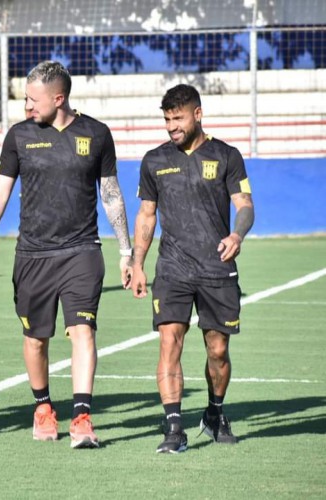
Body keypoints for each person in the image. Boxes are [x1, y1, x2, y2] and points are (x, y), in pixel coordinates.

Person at [0, 61, 132, 449]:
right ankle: (43, 407)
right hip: (33, 254)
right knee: (35, 339)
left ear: (58, 98)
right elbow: (1, 188)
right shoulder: (19, 136)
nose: (26, 106)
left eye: (33, 99)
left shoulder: (96, 134)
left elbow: (111, 195)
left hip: (81, 251)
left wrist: (126, 251)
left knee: (83, 330)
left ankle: (81, 417)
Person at [130, 84, 255, 454]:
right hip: (172, 268)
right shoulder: (154, 160)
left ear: (197, 114)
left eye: (178, 118)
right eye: (167, 120)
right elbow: (146, 215)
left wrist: (237, 233)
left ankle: (214, 413)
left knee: (217, 350)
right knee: (169, 342)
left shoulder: (227, 155)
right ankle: (173, 428)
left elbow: (245, 204)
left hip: (217, 269)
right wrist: (137, 263)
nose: (172, 127)